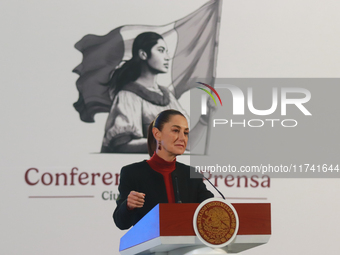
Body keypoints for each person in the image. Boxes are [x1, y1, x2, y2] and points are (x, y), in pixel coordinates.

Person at [101, 32, 210, 153]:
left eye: (166, 51)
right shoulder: (128, 95)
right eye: (161, 50)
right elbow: (122, 145)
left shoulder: (168, 97)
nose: (167, 57)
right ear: (143, 54)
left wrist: (205, 118)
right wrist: (164, 144)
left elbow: (185, 145)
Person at [113, 109, 214, 230]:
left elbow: (210, 210)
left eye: (186, 133)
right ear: (157, 134)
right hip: (151, 247)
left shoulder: (191, 174)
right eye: (176, 131)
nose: (183, 138)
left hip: (186, 247)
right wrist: (128, 206)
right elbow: (120, 222)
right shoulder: (133, 172)